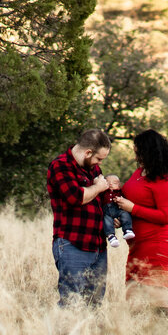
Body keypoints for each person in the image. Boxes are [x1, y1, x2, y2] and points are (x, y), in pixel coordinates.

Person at [112, 129, 168, 312]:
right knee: (133, 300)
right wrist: (120, 218)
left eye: (138, 150)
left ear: (148, 151)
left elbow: (165, 217)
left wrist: (132, 208)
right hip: (137, 246)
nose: (135, 154)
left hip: (157, 244)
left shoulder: (163, 179)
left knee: (157, 301)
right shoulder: (139, 173)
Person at [46, 129, 113, 306]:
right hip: (72, 244)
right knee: (71, 303)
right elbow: (76, 197)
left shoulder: (92, 167)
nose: (99, 163)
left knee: (94, 304)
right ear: (88, 152)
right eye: (99, 159)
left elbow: (99, 197)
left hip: (98, 246)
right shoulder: (60, 165)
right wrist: (97, 188)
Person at [102, 174, 135, 248]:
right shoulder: (103, 193)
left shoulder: (120, 192)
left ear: (119, 185)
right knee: (106, 220)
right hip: (107, 212)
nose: (110, 184)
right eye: (107, 182)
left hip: (118, 210)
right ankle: (111, 236)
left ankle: (127, 230)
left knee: (125, 214)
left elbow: (126, 200)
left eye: (114, 183)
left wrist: (120, 200)